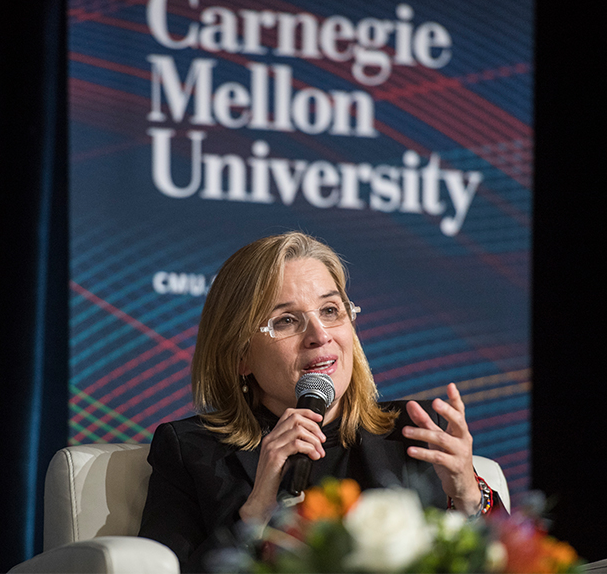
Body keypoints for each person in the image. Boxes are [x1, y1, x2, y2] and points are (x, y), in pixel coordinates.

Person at [138, 232, 500, 572]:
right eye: (286, 320)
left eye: (330, 310)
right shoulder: (191, 451)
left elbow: (512, 558)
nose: (320, 335)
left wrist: (468, 495)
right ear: (240, 356)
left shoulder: (413, 430)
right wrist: (255, 515)